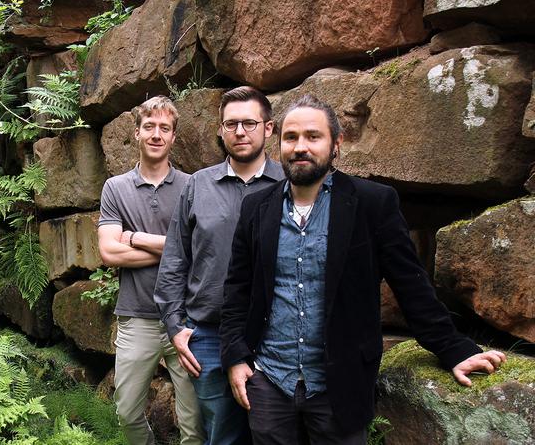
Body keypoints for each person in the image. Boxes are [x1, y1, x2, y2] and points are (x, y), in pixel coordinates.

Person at [220, 94, 507, 444]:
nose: (300, 147)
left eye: (313, 136)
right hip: (268, 381)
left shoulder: (372, 203)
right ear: (279, 142)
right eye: (291, 137)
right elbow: (237, 290)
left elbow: (411, 285)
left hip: (340, 382)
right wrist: (236, 356)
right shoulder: (256, 208)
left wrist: (454, 349)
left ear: (336, 143)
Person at [155, 86, 285, 444]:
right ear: (220, 130)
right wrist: (174, 325)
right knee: (221, 434)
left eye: (248, 123)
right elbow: (175, 259)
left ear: (269, 128)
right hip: (208, 335)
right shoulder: (198, 185)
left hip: (273, 335)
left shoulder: (289, 185)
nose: (239, 132)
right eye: (231, 124)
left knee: (274, 432)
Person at [97, 95, 204, 445]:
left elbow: (200, 251)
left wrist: (137, 237)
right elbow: (110, 252)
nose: (156, 134)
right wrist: (176, 250)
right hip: (137, 317)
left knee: (195, 421)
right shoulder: (116, 188)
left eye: (165, 128)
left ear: (174, 137)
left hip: (187, 318)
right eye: (149, 127)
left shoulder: (193, 187)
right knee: (126, 412)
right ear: (137, 133)